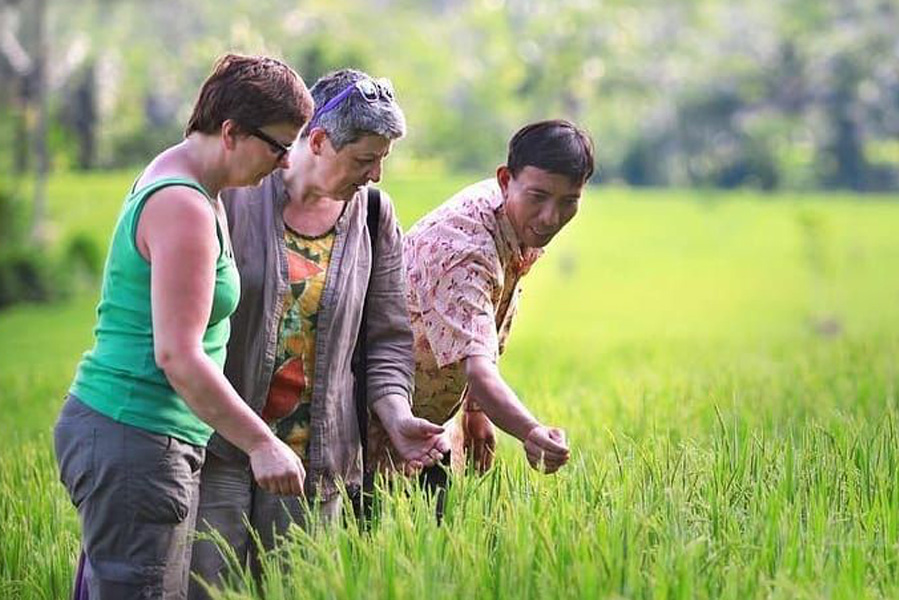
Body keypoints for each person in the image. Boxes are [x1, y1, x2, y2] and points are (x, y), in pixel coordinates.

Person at [52, 54, 314, 599]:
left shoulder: (192, 187)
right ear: (231, 131)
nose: (285, 163)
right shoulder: (183, 205)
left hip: (136, 436)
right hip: (136, 435)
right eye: (278, 145)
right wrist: (261, 444)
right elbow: (179, 355)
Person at [188, 68, 448, 599]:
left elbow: (387, 339)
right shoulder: (233, 197)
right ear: (319, 140)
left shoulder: (374, 214)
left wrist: (396, 416)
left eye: (382, 160)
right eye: (363, 160)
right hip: (220, 453)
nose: (374, 174)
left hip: (316, 466)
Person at [367, 119, 595, 486]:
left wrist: (475, 409)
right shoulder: (466, 247)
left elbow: (482, 320)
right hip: (372, 415)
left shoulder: (516, 216)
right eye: (539, 197)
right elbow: (478, 369)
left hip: (425, 419)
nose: (551, 218)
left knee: (432, 531)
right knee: (360, 527)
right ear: (506, 179)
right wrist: (531, 432)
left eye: (568, 202)